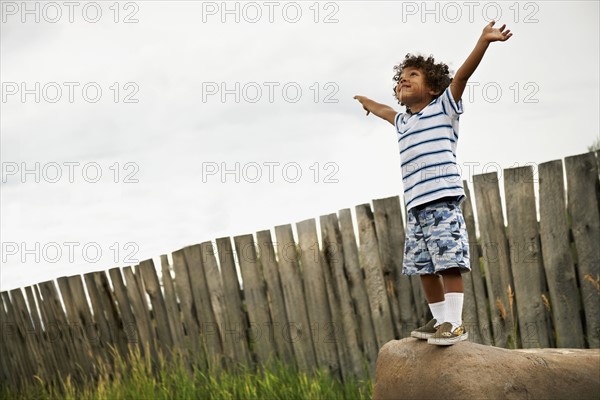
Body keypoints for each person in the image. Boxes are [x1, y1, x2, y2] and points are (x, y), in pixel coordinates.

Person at [354, 21, 512, 345]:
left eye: (413, 75)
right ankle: (440, 320)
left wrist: (483, 41)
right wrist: (367, 102)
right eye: (401, 77)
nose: (404, 79)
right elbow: (386, 111)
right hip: (416, 209)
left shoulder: (444, 107)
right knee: (423, 267)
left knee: (447, 262)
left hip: (441, 202)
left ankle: (454, 323)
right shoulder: (403, 122)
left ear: (433, 87)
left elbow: (463, 76)